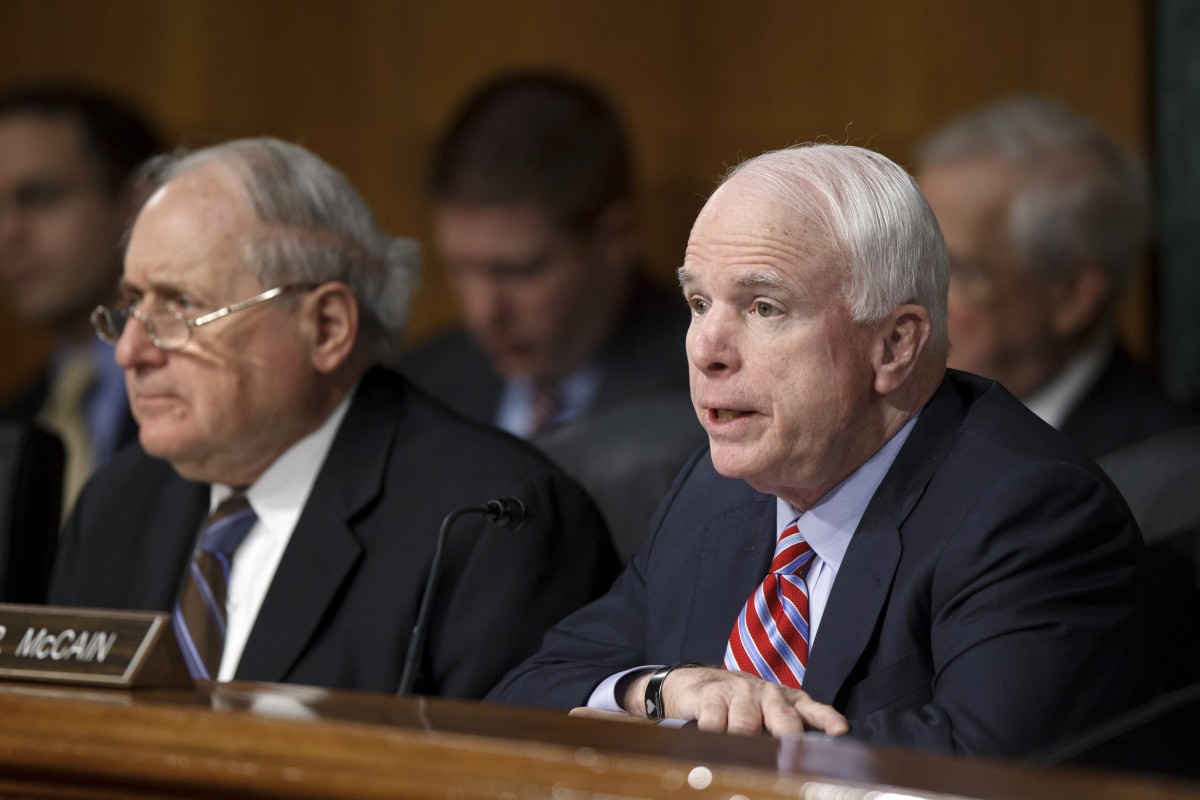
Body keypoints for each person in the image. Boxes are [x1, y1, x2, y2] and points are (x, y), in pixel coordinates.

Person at [488, 144, 1156, 759]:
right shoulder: (718, 488)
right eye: (698, 301)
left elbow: (979, 767)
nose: (705, 349)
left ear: (894, 344)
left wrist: (699, 748)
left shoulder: (1027, 510)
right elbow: (526, 692)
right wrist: (662, 693)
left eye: (763, 307)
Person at [48, 137, 619, 697]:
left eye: (180, 307)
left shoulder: (488, 526)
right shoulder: (116, 504)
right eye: (131, 305)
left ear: (325, 328)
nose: (130, 351)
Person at [398, 70, 689, 439]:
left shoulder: (708, 391)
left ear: (617, 237)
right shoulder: (413, 393)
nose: (482, 311)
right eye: (460, 268)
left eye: (520, 271)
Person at [916, 95, 1193, 459]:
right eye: (913, 261)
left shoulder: (1164, 477)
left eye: (958, 271)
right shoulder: (887, 425)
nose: (911, 297)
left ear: (1072, 295)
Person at [0, 83, 163, 513]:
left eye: (38, 198)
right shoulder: (13, 420)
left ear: (136, 204)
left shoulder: (208, 399)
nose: (8, 234)